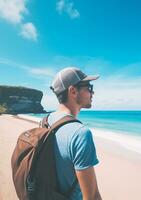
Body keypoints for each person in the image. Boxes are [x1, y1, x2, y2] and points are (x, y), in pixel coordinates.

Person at [46, 67, 102, 200]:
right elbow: (92, 196)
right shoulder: (80, 134)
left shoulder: (46, 120)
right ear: (73, 91)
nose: (92, 92)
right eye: (89, 87)